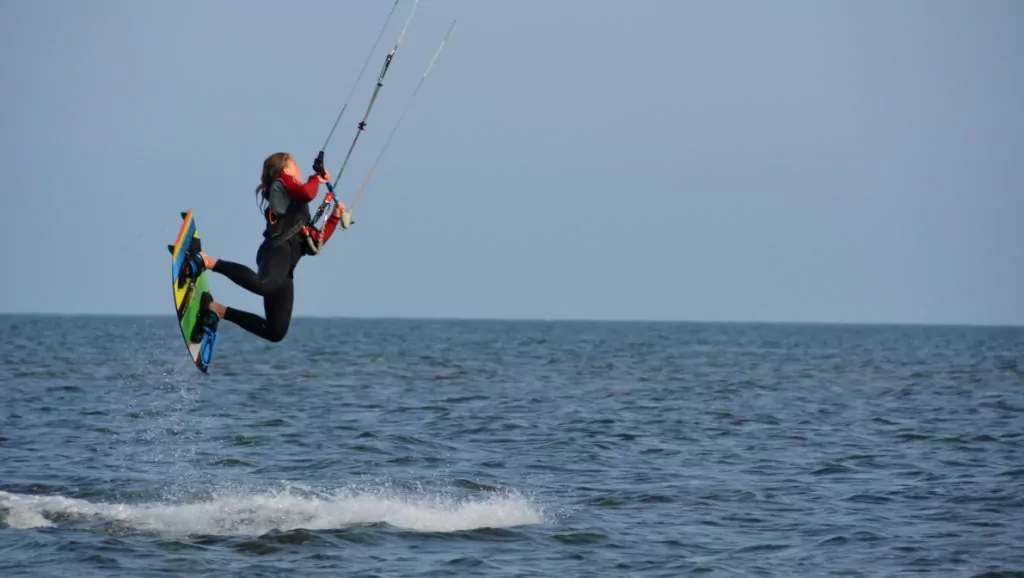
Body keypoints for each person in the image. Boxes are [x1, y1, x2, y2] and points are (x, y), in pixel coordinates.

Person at [187, 152, 349, 343]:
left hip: (286, 270)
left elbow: (314, 243)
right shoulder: (282, 182)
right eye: (295, 163)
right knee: (264, 285)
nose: (299, 167)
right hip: (275, 252)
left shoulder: (299, 204)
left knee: (276, 331)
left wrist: (335, 218)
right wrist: (316, 178)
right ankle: (208, 261)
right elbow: (307, 193)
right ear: (285, 169)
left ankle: (217, 310)